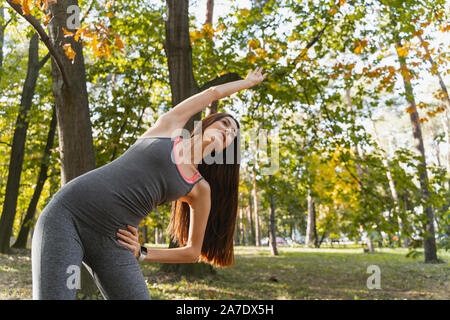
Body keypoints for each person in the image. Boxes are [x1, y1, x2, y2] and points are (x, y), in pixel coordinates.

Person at [31, 68, 268, 300]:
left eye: (233, 135)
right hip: (68, 214)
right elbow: (213, 92)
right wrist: (246, 83)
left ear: (227, 150)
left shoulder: (199, 188)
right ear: (207, 123)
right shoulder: (169, 127)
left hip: (114, 239)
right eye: (225, 124)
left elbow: (193, 252)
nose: (228, 132)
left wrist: (142, 253)